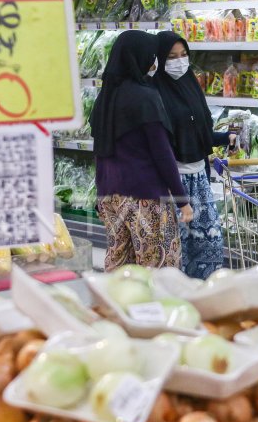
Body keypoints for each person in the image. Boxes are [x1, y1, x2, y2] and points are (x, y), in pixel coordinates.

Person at [91, 30, 193, 271]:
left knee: (119, 266)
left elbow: (99, 153)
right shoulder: (145, 97)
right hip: (145, 197)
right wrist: (182, 200)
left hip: (109, 197)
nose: (154, 61)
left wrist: (100, 194)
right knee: (158, 267)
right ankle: (154, 310)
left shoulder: (104, 99)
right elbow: (162, 154)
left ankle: (116, 307)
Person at [153, 31, 234, 279]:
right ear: (158, 59)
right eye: (171, 56)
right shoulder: (154, 91)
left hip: (199, 177)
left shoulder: (190, 84)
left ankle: (204, 299)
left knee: (209, 244)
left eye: (184, 55)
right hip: (172, 181)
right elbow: (160, 143)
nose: (179, 61)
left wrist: (225, 137)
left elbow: (198, 130)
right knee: (177, 250)